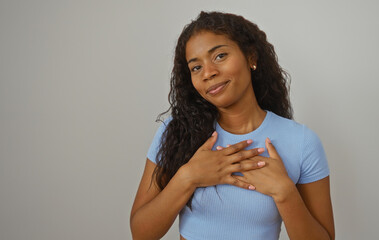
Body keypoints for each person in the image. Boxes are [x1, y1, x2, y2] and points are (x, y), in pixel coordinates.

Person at [130, 11, 335, 240]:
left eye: (219, 56)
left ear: (251, 57)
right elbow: (140, 233)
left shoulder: (301, 142)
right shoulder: (176, 132)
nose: (208, 72)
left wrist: (285, 193)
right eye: (196, 67)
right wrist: (188, 177)